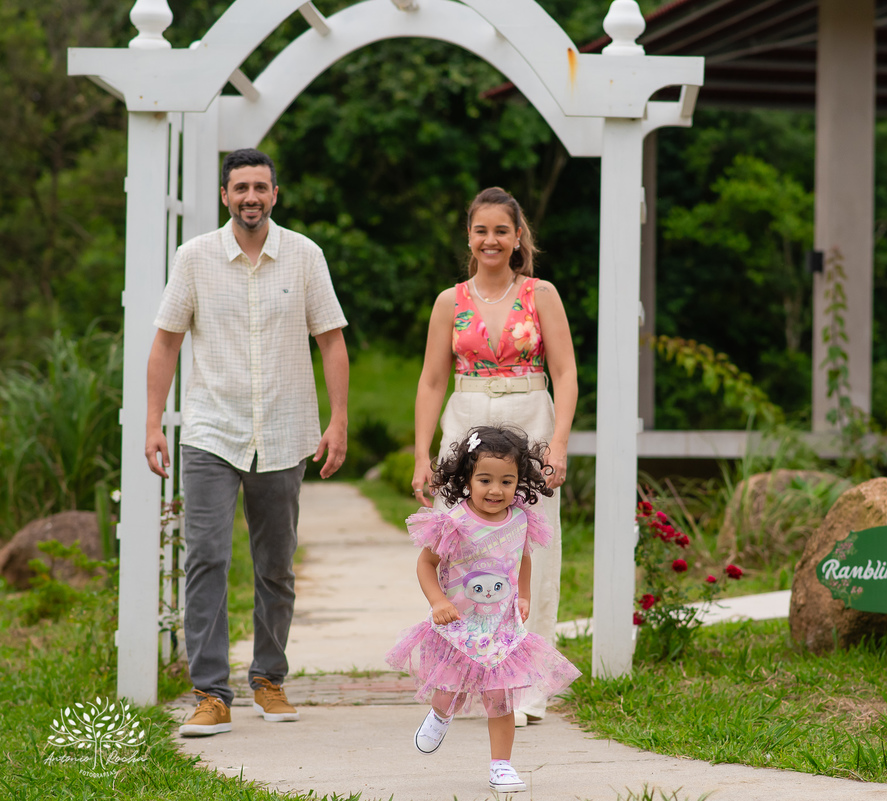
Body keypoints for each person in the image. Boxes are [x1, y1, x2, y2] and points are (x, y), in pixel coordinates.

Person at [144, 148, 350, 737]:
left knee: (276, 566)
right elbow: (165, 343)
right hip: (211, 431)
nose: (251, 197)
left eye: (261, 187)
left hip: (285, 433)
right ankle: (210, 692)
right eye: (241, 188)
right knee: (205, 557)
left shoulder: (305, 256)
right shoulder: (195, 258)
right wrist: (155, 421)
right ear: (226, 195)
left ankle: (269, 679)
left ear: (275, 195)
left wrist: (337, 422)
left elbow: (331, 342)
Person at [411, 186, 577, 726]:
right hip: (464, 421)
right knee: (458, 548)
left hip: (531, 414)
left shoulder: (541, 293)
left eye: (501, 230)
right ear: (469, 236)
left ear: (517, 236)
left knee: (534, 551)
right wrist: (421, 454)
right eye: (482, 230)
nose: (491, 239)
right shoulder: (449, 301)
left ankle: (527, 689)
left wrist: (559, 443)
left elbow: (567, 373)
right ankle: (461, 678)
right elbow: (433, 379)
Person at [387, 426, 580, 793]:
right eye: (485, 479)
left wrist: (523, 595)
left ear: (520, 482)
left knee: (500, 697)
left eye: (507, 481)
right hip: (459, 625)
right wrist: (439, 601)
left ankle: (501, 766)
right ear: (467, 479)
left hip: (501, 629)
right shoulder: (454, 522)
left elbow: (523, 559)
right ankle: (441, 714)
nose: (496, 490)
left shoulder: (521, 520)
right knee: (450, 690)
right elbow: (425, 565)